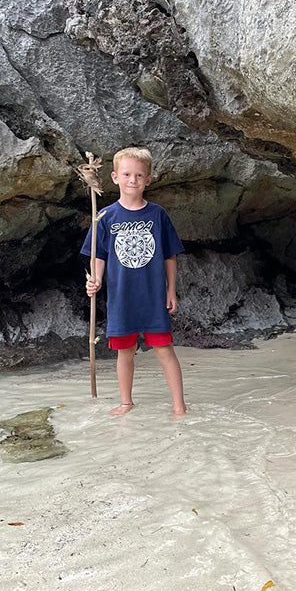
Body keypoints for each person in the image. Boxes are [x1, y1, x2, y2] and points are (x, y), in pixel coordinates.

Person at [82, 147, 188, 417]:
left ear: (148, 179)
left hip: (152, 295)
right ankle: (126, 402)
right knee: (125, 351)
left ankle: (179, 406)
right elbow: (99, 255)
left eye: (139, 175)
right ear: (115, 177)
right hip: (121, 296)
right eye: (127, 174)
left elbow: (170, 255)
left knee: (164, 349)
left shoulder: (157, 214)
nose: (133, 180)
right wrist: (95, 281)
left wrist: (171, 290)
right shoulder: (104, 217)